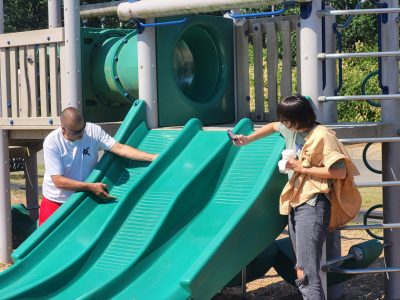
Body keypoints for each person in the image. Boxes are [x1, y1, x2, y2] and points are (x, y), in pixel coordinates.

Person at [232, 95, 361, 299]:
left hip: (313, 204)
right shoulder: (291, 129)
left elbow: (339, 172)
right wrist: (247, 140)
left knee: (306, 273)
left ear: (298, 119)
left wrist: (301, 167)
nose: (283, 123)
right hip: (297, 202)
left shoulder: (322, 136)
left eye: (286, 119)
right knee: (302, 269)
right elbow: (274, 126)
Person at [39, 107, 157, 226]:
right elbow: (59, 181)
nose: (82, 134)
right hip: (56, 200)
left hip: (82, 198)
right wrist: (89, 186)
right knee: (45, 241)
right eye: (76, 132)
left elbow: (119, 148)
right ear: (64, 130)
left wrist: (152, 157)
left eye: (82, 129)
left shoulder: (92, 131)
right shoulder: (52, 142)